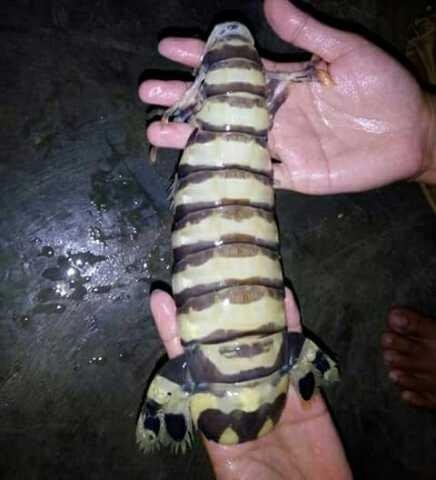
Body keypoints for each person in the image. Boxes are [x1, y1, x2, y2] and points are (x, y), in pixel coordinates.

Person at [138, 0, 436, 477]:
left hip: (231, 252)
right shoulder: (253, 122)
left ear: (198, 97)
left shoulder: (220, 124)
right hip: (232, 257)